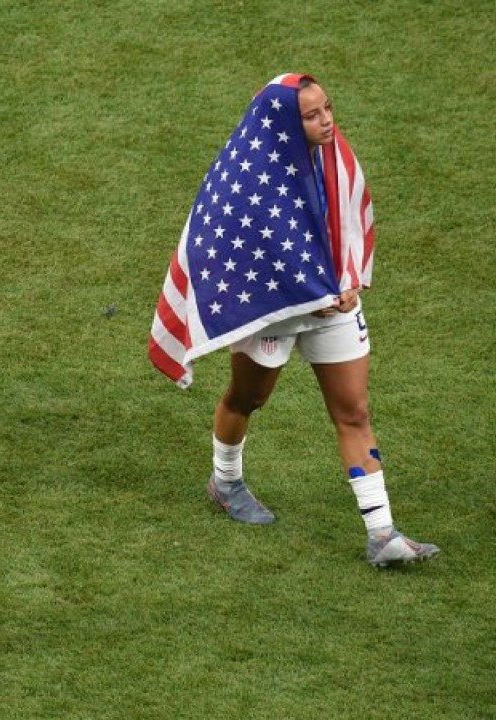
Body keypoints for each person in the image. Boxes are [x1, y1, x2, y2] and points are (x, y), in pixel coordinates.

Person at [149, 75, 439, 567]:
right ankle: (225, 482)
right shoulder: (248, 177)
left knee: (354, 412)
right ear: (285, 123)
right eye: (312, 115)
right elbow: (251, 255)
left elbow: (347, 218)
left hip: (332, 306)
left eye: (327, 108)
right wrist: (309, 295)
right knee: (248, 398)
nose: (327, 120)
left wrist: (349, 280)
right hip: (275, 311)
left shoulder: (334, 154)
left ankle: (381, 534)